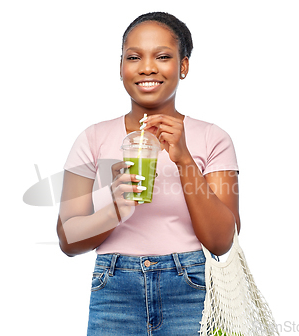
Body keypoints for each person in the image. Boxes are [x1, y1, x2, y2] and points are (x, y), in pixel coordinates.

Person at [57, 12, 240, 336]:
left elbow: (222, 241)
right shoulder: (93, 138)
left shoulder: (213, 138)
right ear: (120, 68)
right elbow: (67, 239)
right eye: (134, 57)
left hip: (191, 287)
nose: (147, 67)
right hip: (114, 290)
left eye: (163, 56)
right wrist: (114, 210)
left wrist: (184, 160)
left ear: (183, 66)